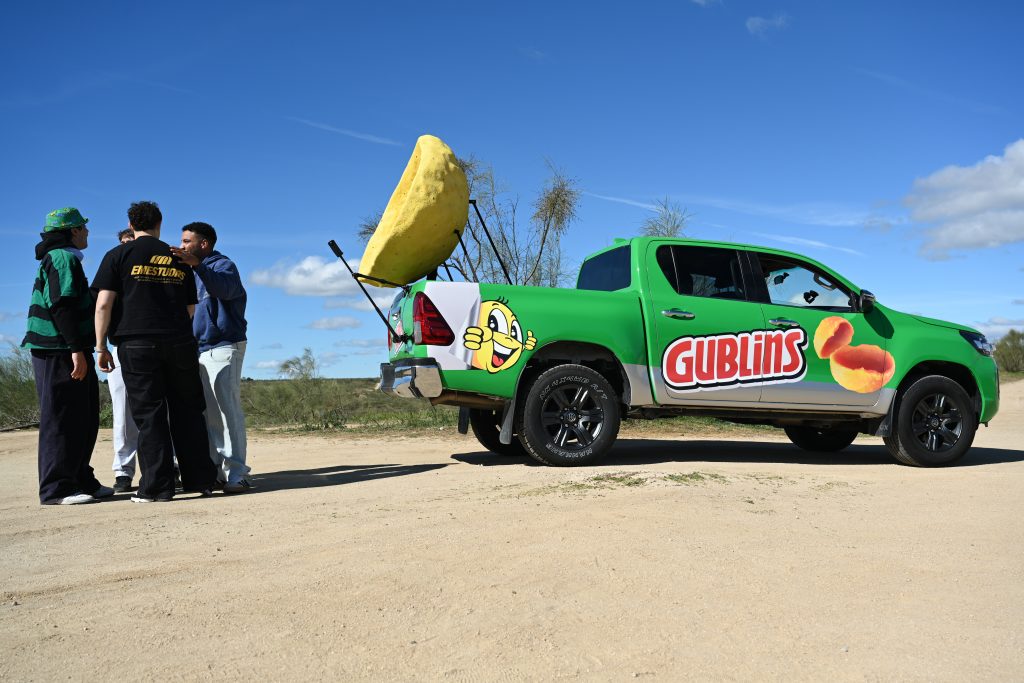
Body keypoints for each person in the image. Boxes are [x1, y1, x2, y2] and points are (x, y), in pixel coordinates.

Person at [92, 201, 218, 502]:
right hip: (179, 342)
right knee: (188, 411)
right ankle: (201, 481)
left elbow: (104, 304)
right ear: (159, 223)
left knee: (150, 415)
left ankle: (156, 488)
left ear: (131, 224)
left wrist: (100, 346)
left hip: (136, 344)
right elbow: (190, 307)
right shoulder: (178, 256)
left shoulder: (117, 255)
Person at [22, 207, 113, 505]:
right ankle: (56, 488)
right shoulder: (61, 258)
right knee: (61, 418)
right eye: (83, 228)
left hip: (69, 348)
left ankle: (80, 478)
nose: (87, 233)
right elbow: (62, 305)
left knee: (84, 418)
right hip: (57, 350)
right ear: (73, 231)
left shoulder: (67, 258)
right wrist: (76, 350)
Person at [171, 222, 251, 493]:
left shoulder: (223, 266)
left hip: (225, 345)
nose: (181, 246)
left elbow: (225, 290)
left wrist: (198, 266)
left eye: (186, 241)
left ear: (203, 244)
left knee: (228, 412)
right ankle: (215, 472)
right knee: (210, 415)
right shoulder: (191, 272)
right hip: (200, 349)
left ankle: (237, 473)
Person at [106, 227, 140, 493]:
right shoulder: (113, 271)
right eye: (124, 242)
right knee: (123, 411)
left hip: (154, 345)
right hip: (120, 347)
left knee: (160, 409)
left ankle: (171, 465)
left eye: (132, 240)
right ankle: (123, 472)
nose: (127, 245)